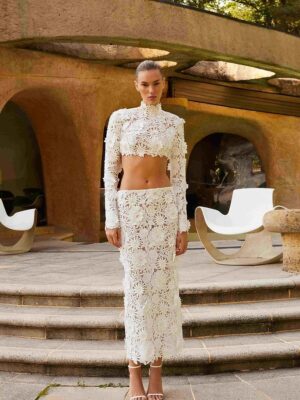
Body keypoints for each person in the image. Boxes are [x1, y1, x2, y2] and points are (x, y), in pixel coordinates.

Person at [103, 60, 190, 400]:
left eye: (156, 84)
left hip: (164, 209)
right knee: (136, 293)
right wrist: (112, 217)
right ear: (136, 86)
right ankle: (133, 376)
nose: (151, 90)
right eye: (145, 85)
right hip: (132, 211)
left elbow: (179, 177)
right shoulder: (121, 118)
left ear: (163, 84)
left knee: (163, 294)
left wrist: (181, 224)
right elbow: (111, 173)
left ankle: (157, 374)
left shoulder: (175, 123)